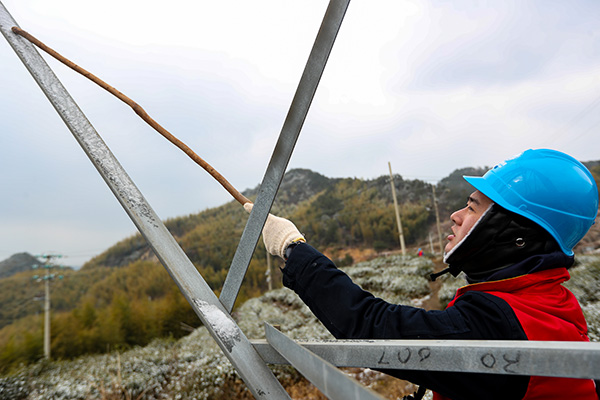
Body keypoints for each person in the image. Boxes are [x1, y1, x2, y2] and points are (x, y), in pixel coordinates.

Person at [244, 148, 599, 400]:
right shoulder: (548, 301)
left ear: (512, 233)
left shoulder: (498, 325)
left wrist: (292, 247)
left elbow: (370, 324)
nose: (455, 216)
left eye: (472, 207)